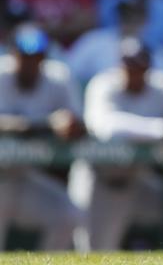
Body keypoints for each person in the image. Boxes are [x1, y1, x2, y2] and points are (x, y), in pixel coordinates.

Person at [68, 37, 163, 251]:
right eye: (128, 65)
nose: (133, 71)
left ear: (147, 67)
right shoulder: (104, 84)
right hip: (98, 180)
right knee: (95, 254)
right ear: (119, 64)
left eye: (138, 66)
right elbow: (108, 127)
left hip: (138, 180)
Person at [0, 24, 85, 251]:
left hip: (21, 176)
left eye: (36, 58)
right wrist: (44, 124)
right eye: (24, 57)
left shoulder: (57, 76)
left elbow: (76, 123)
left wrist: (69, 125)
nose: (30, 64)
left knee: (67, 215)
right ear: (12, 54)